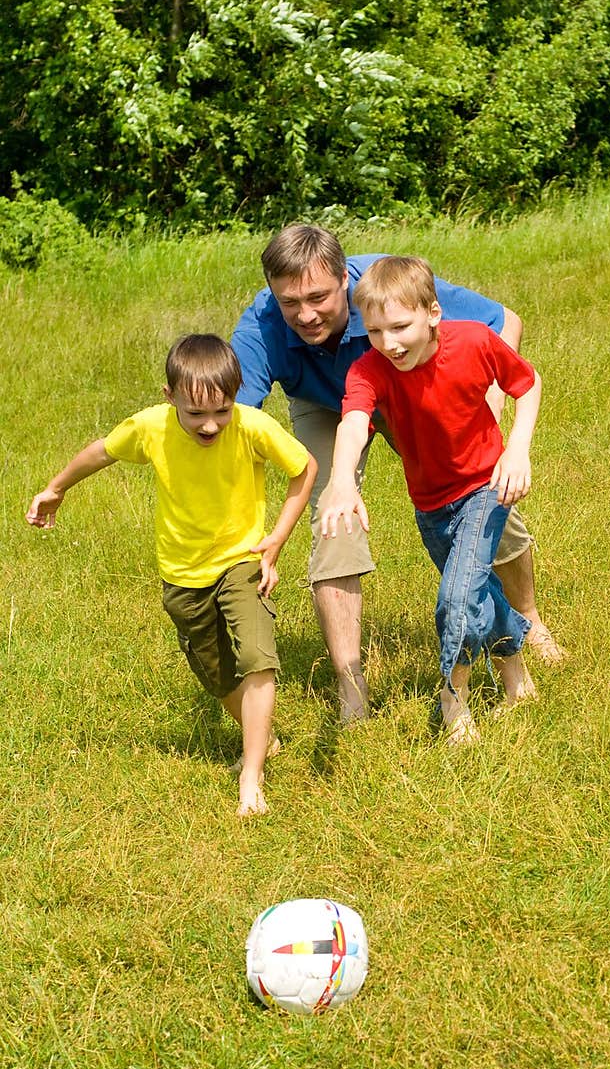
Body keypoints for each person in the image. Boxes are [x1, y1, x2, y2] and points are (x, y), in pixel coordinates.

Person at [231, 223, 565, 727]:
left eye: (319, 297)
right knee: (333, 516)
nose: (305, 314)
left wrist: (489, 410)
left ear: (345, 279)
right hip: (332, 405)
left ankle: (530, 623)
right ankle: (352, 685)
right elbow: (237, 420)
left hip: (416, 385)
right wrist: (333, 484)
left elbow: (504, 322)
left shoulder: (387, 291)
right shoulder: (262, 324)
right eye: (289, 303)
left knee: (488, 508)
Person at [25, 334, 318, 818]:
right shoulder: (151, 426)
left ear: (235, 394)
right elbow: (101, 451)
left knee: (255, 655)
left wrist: (275, 541)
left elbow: (304, 467)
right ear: (170, 398)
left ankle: (251, 776)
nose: (210, 425)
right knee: (218, 673)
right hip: (182, 575)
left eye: (221, 411)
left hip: (241, 558)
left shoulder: (252, 426)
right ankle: (263, 740)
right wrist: (55, 489)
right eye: (195, 414)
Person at [320, 255, 541, 746]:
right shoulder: (368, 370)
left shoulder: (475, 342)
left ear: (433, 313)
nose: (389, 343)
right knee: (476, 591)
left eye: (400, 327)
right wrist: (341, 481)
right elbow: (354, 422)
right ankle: (516, 678)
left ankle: (452, 695)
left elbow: (526, 385)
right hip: (430, 506)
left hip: (486, 488)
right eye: (376, 331)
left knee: (456, 599)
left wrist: (518, 449)